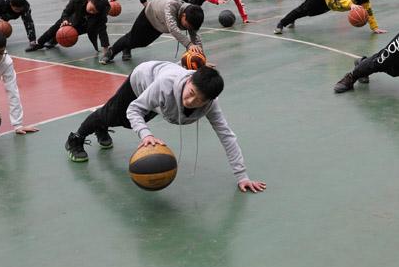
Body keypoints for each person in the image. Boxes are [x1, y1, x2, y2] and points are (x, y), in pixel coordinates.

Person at [64, 61, 266, 192]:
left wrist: (242, 176)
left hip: (161, 99)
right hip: (143, 79)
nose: (191, 100)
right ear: (189, 80)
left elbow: (226, 135)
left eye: (199, 100)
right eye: (191, 92)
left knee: (124, 122)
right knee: (114, 115)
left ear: (209, 101)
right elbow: (135, 109)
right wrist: (146, 135)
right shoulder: (165, 85)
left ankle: (103, 125)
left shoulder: (211, 104)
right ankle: (76, 138)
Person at [99, 0, 204, 64]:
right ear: (184, 16)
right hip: (148, 15)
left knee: (143, 43)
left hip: (159, 24)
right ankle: (111, 52)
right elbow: (173, 28)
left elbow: (195, 36)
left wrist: (201, 59)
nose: (188, 28)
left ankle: (127, 47)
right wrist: (189, 45)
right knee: (132, 38)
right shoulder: (171, 6)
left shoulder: (190, 16)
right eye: (188, 25)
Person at [28, 0, 110, 56]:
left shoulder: (101, 13)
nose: (91, 12)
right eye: (91, 9)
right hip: (77, 14)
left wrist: (106, 50)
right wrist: (65, 20)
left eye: (94, 12)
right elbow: (67, 11)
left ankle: (56, 39)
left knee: (74, 31)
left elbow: (102, 31)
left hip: (89, 23)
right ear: (89, 0)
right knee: (58, 26)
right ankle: (39, 43)